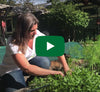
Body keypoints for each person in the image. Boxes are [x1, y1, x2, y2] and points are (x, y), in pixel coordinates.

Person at [0, 12, 71, 92]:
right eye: (32, 30)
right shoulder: (13, 42)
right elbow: (27, 68)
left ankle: (31, 80)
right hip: (12, 69)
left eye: (36, 29)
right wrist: (54, 73)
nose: (36, 32)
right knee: (18, 90)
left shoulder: (36, 34)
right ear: (22, 31)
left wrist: (66, 67)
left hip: (28, 61)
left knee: (44, 62)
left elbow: (56, 48)